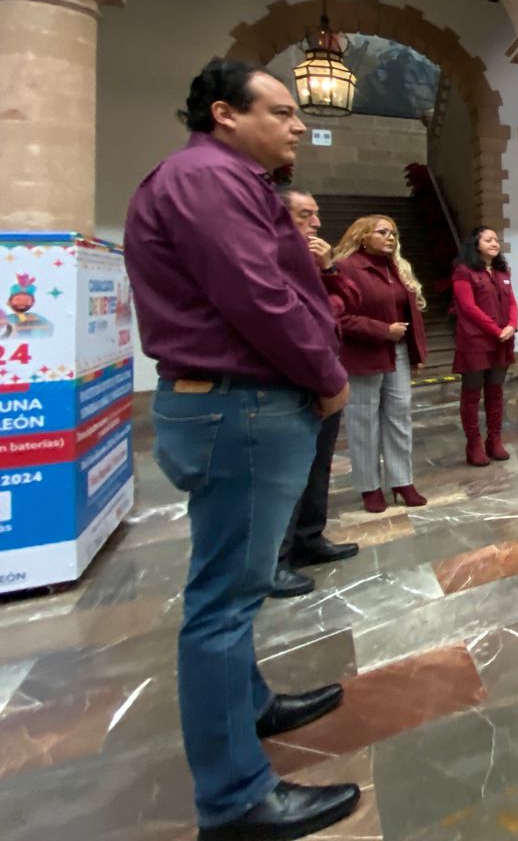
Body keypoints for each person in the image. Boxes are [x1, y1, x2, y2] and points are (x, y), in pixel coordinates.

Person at [123, 59, 358, 840]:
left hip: (236, 405)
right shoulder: (208, 180)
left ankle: (249, 704)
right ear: (226, 113)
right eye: (284, 111)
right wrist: (327, 375)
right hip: (240, 406)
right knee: (223, 601)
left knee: (232, 579)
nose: (299, 125)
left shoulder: (226, 179)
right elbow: (257, 294)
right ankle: (235, 798)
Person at [271, 188, 359, 599]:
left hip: (326, 371)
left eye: (317, 214)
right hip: (289, 378)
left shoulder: (317, 263)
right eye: (306, 215)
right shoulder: (268, 259)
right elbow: (303, 317)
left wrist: (326, 269)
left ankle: (310, 536)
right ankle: (275, 559)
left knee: (318, 464)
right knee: (285, 471)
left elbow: (344, 303)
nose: (317, 223)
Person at [331, 215, 430, 511]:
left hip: (397, 350)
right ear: (363, 236)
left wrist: (417, 352)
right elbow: (339, 316)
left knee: (400, 417)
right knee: (363, 421)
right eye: (382, 232)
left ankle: (402, 481)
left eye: (394, 233)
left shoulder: (397, 268)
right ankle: (369, 487)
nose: (391, 238)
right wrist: (381, 330)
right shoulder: (346, 268)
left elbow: (412, 315)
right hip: (364, 353)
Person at [452, 226, 518, 467]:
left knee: (495, 390)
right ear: (475, 244)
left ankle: (495, 440)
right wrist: (495, 329)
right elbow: (468, 307)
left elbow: (512, 301)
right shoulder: (464, 271)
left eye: (496, 239)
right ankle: (474, 444)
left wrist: (512, 324)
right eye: (488, 239)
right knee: (472, 393)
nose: (494, 242)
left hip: (502, 338)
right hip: (476, 341)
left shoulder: (502, 270)